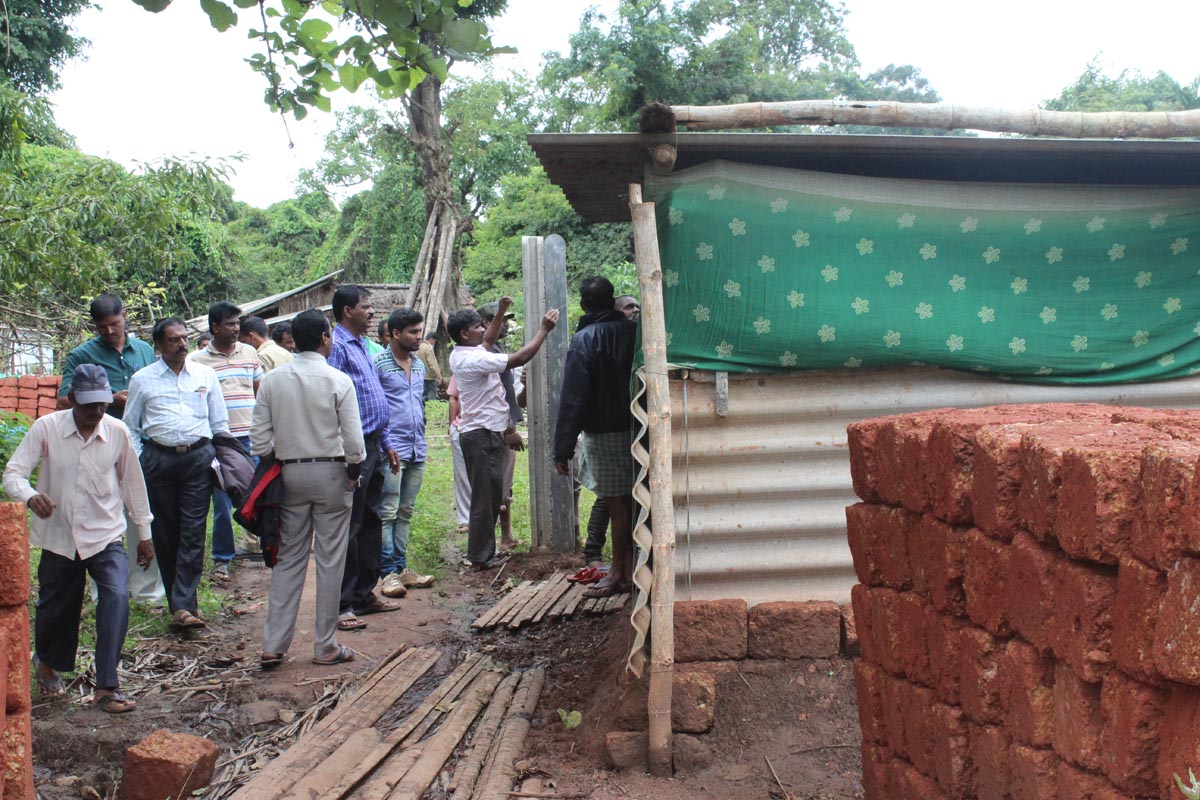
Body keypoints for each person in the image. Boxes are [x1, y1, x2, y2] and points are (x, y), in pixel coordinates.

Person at [4, 365, 154, 713]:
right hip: (59, 537)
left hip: (105, 536)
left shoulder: (117, 432)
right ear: (71, 400)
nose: (96, 411)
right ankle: (48, 663)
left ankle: (107, 687)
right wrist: (29, 496)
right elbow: (14, 473)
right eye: (88, 405)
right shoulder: (47, 428)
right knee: (57, 609)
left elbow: (133, 485)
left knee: (116, 597)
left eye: (102, 403)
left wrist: (144, 534)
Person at [251, 310, 365, 667]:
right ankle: (325, 646)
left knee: (289, 559)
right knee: (331, 561)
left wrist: (281, 456)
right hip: (332, 472)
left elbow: (258, 441)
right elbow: (354, 442)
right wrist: (352, 472)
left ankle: (274, 644)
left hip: (290, 474)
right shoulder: (337, 380)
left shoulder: (272, 380)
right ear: (325, 338)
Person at [56, 293, 164, 604]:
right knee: (102, 515)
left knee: (140, 513)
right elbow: (63, 401)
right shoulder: (81, 355)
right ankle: (103, 590)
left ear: (124, 317)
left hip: (141, 443)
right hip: (98, 441)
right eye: (101, 327)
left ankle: (147, 591)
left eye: (114, 324)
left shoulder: (143, 350)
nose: (109, 332)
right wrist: (108, 398)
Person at [125, 318, 231, 629]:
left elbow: (219, 421)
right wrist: (141, 460)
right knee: (166, 534)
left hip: (198, 458)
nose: (182, 344)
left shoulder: (204, 374)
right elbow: (131, 426)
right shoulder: (142, 380)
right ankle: (178, 604)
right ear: (158, 345)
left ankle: (184, 605)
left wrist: (222, 458)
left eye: (184, 338)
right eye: (173, 340)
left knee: (193, 532)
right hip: (159, 459)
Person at [448, 297, 558, 570]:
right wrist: (543, 329)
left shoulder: (468, 352)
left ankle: (485, 553)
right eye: (477, 327)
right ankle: (479, 557)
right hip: (481, 436)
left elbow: (488, 339)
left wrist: (500, 311)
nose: (483, 331)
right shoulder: (471, 359)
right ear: (464, 334)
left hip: (486, 433)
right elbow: (520, 357)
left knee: (492, 496)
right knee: (485, 499)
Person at [553, 277, 638, 598]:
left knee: (617, 504)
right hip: (639, 427)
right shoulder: (635, 334)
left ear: (583, 304)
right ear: (612, 300)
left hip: (604, 431)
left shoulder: (585, 339)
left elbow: (573, 398)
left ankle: (618, 574)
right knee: (632, 502)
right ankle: (630, 570)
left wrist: (562, 448)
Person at [326, 285, 402, 631]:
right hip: (352, 450)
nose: (372, 312)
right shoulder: (338, 348)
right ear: (347, 311)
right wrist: (347, 451)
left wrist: (385, 442)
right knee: (351, 524)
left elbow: (373, 399)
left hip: (373, 444)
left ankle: (364, 593)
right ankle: (342, 604)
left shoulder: (363, 347)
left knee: (370, 519)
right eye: (366, 307)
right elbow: (331, 402)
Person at [189, 302, 264, 581]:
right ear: (215, 327)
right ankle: (223, 559)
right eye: (230, 324)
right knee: (221, 501)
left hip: (252, 437)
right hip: (220, 440)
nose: (236, 329)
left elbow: (261, 392)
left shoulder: (250, 353)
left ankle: (265, 548)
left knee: (259, 495)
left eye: (237, 323)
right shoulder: (197, 361)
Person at [374, 308, 435, 597]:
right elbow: (376, 409)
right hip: (391, 449)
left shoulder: (419, 364)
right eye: (413, 332)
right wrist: (385, 445)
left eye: (420, 332)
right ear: (395, 333)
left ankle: (401, 567)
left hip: (416, 446)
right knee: (388, 511)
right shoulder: (379, 365)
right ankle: (388, 573)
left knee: (406, 511)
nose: (418, 338)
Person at [582, 292, 641, 564]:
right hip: (611, 428)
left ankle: (615, 560)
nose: (635, 310)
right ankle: (596, 552)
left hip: (628, 426)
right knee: (611, 499)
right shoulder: (603, 340)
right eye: (629, 307)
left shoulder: (635, 340)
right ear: (616, 313)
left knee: (615, 499)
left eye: (637, 306)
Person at [478, 302, 523, 551]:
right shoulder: (488, 354)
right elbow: (496, 396)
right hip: (498, 428)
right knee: (497, 485)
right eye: (503, 319)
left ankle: (505, 536)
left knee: (504, 483)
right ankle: (491, 543)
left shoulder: (495, 348)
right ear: (488, 322)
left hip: (504, 425)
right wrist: (509, 429)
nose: (506, 324)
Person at [446, 376, 470, 534]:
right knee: (462, 474)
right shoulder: (461, 363)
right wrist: (452, 427)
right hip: (462, 427)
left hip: (484, 427)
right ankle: (465, 519)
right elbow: (453, 398)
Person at [416, 332, 445, 402]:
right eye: (434, 341)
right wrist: (439, 376)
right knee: (431, 396)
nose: (434, 343)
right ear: (432, 339)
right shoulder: (428, 348)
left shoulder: (418, 346)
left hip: (418, 374)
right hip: (429, 376)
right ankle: (432, 410)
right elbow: (432, 364)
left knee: (421, 394)